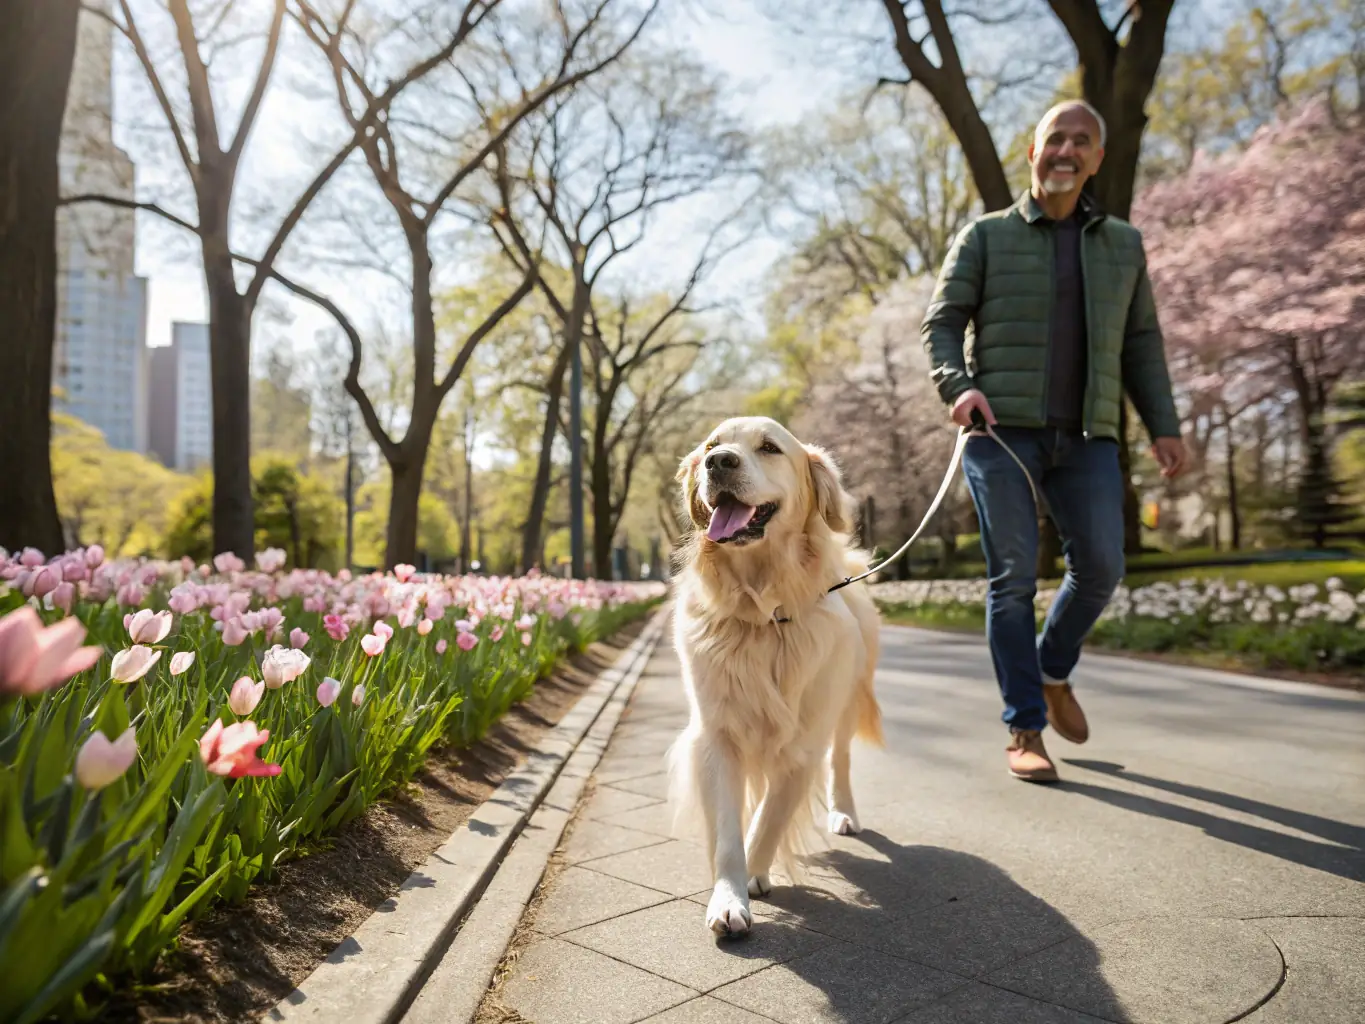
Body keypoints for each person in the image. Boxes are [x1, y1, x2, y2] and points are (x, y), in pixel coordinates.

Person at [920, 100, 1188, 783]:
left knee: (1101, 566)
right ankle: (1023, 725)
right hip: (998, 432)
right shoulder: (984, 236)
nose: (1066, 150)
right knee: (1011, 577)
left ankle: (1050, 668)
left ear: (1097, 158)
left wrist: (1162, 425)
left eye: (1082, 141)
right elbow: (943, 321)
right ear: (1032, 152)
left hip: (1090, 434)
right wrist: (958, 387)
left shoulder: (1122, 245)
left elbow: (1141, 342)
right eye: (1054, 139)